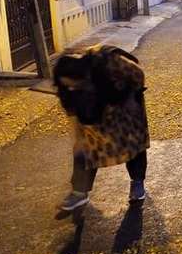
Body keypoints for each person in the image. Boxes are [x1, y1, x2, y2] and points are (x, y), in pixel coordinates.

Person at [53, 45, 150, 212]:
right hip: (94, 114)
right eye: (67, 86)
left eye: (75, 84)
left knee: (133, 146)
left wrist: (129, 100)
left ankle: (137, 183)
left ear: (84, 76)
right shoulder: (64, 79)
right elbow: (69, 106)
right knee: (84, 150)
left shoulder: (108, 63)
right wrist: (77, 134)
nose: (71, 88)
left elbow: (138, 75)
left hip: (123, 109)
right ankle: (79, 192)